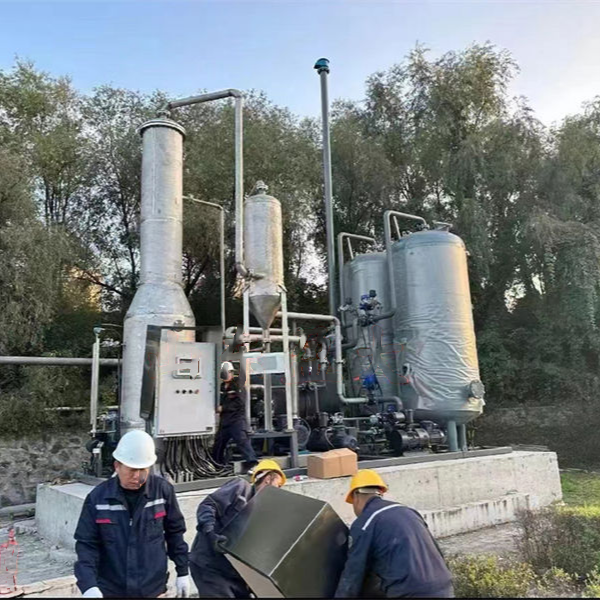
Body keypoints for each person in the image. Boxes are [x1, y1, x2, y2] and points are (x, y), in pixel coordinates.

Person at [74, 430, 191, 598]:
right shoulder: (98, 498)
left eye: (142, 470)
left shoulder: (162, 492)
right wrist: (89, 585)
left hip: (153, 589)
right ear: (117, 466)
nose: (137, 476)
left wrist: (183, 572)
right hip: (112, 590)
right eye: (131, 470)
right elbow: (87, 545)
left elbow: (175, 534)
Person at [335, 470, 454, 598]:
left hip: (411, 592)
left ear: (356, 496)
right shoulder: (409, 512)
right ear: (380, 492)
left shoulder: (365, 523)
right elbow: (436, 551)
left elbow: (353, 573)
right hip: (443, 587)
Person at [189, 459, 286, 598]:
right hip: (210, 566)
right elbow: (208, 506)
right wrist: (210, 532)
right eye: (277, 485)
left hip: (233, 573)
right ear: (267, 479)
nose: (278, 491)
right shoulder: (240, 488)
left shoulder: (262, 512)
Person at [212, 361, 257, 467]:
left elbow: (240, 403)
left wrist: (223, 408)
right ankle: (217, 463)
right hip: (225, 420)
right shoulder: (222, 387)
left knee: (242, 441)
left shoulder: (237, 385)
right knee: (219, 443)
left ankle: (252, 462)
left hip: (236, 420)